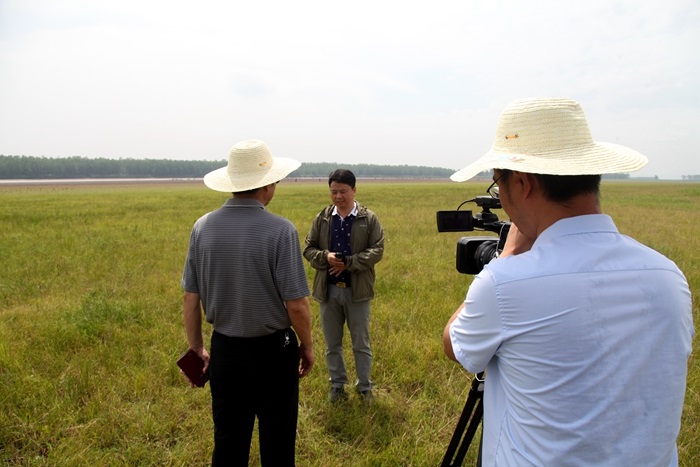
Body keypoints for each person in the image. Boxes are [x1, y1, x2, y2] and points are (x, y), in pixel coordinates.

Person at [442, 98, 694, 466]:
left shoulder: (505, 282)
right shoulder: (668, 275)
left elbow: (454, 345)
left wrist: (504, 258)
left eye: (499, 185)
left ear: (522, 183)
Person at [181, 139, 314, 466]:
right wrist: (307, 346)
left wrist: (196, 348)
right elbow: (296, 305)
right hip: (275, 351)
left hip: (225, 350)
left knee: (228, 442)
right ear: (267, 185)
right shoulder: (281, 231)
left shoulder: (202, 228)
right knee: (278, 443)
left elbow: (190, 297)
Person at [304, 169, 384, 403]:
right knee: (332, 344)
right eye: (333, 192)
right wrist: (325, 257)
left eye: (343, 191)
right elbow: (308, 249)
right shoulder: (322, 218)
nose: (338, 196)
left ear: (354, 190)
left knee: (361, 342)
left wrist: (349, 264)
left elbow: (377, 250)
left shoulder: (368, 219)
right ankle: (337, 385)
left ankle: (364, 387)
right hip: (328, 291)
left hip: (357, 291)